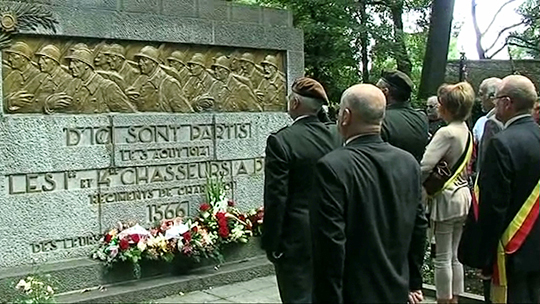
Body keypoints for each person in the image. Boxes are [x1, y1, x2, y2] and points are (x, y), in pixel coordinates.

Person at [311, 84, 423, 303]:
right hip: (396, 288)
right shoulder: (408, 162)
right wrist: (413, 282)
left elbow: (330, 245)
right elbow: (418, 226)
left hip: (353, 293)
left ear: (345, 116)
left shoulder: (332, 167)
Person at [262, 77, 339, 303]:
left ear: (295, 103)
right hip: (335, 229)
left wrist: (272, 242)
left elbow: (277, 196)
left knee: (298, 296)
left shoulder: (282, 141)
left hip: (298, 237)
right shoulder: (336, 136)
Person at [477, 75, 540, 304]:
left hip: (510, 252)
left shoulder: (502, 143)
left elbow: (493, 206)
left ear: (507, 102)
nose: (494, 104)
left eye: (496, 99)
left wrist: (485, 258)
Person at [376, 69, 428, 301]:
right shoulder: (420, 117)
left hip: (386, 194)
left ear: (386, 93)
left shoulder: (383, 119)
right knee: (414, 241)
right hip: (414, 190)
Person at [421, 82, 475, 304]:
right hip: (463, 196)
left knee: (442, 257)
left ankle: (444, 300)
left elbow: (425, 166)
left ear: (446, 107)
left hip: (446, 198)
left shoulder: (446, 132)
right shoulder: (466, 130)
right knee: (454, 256)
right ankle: (455, 298)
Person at [45, 48, 136, 114]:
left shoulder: (107, 87)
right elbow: (61, 107)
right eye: (71, 63)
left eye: (76, 62)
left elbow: (130, 115)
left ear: (86, 65)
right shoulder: (71, 84)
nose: (71, 66)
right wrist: (49, 104)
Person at [377, 69, 429, 162]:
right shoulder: (422, 118)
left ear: (385, 92)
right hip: (415, 174)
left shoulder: (381, 120)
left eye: (377, 89)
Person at [126, 46, 192, 113]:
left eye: (144, 60)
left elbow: (186, 113)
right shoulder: (141, 80)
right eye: (140, 60)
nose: (140, 63)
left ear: (154, 63)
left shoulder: (170, 84)